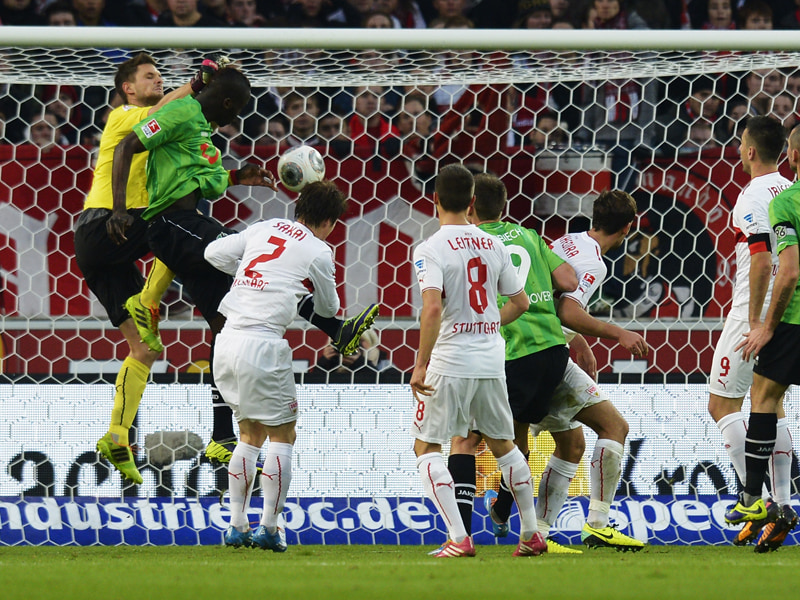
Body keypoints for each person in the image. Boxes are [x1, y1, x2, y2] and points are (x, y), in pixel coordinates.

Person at [107, 66, 378, 476]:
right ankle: (335, 329)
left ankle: (221, 436)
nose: (240, 118)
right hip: (170, 223)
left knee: (225, 322)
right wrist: (120, 210)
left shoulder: (205, 135)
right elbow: (127, 146)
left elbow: (207, 180)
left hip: (192, 223)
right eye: (243, 109)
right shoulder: (181, 113)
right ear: (230, 102)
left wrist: (241, 176)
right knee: (261, 269)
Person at [463, 183, 648, 552]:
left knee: (571, 442)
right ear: (629, 228)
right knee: (510, 442)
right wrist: (617, 333)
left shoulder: (566, 240)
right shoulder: (592, 261)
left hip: (536, 347)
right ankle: (587, 524)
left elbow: (549, 293)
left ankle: (535, 528)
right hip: (535, 348)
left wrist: (578, 342)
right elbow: (567, 307)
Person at [74, 52, 216, 484]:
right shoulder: (123, 115)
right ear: (128, 89)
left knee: (146, 350)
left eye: (161, 75)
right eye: (148, 76)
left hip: (103, 248)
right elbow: (160, 111)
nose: (158, 81)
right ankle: (152, 298)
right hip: (104, 225)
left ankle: (117, 437)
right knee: (178, 223)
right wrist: (194, 85)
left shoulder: (154, 133)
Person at [204, 179, 349, 551]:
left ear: (298, 206)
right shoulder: (318, 249)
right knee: (283, 436)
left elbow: (212, 254)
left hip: (225, 341)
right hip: (264, 345)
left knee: (249, 436)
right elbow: (329, 311)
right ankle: (269, 526)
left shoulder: (264, 227)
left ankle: (236, 524)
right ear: (331, 221)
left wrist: (249, 272)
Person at [410, 164, 544, 558]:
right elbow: (520, 302)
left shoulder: (430, 248)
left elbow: (432, 309)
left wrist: (420, 364)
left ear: (434, 200)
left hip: (450, 360)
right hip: (490, 358)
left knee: (427, 447)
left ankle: (459, 537)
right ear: (472, 203)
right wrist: (485, 323)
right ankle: (532, 534)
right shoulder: (494, 244)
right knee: (505, 446)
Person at [443, 172, 578, 553]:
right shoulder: (530, 236)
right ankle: (510, 517)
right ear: (503, 206)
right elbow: (568, 279)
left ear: (471, 206)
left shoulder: (475, 244)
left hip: (510, 350)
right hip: (553, 349)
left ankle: (462, 536)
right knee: (514, 440)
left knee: (466, 439)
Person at [709, 116, 793, 551]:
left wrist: (758, 320)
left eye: (741, 144)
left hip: (752, 312)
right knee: (769, 402)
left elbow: (760, 261)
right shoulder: (788, 189)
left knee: (721, 402)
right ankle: (782, 502)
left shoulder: (752, 194)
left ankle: (752, 497)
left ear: (750, 151)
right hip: (788, 308)